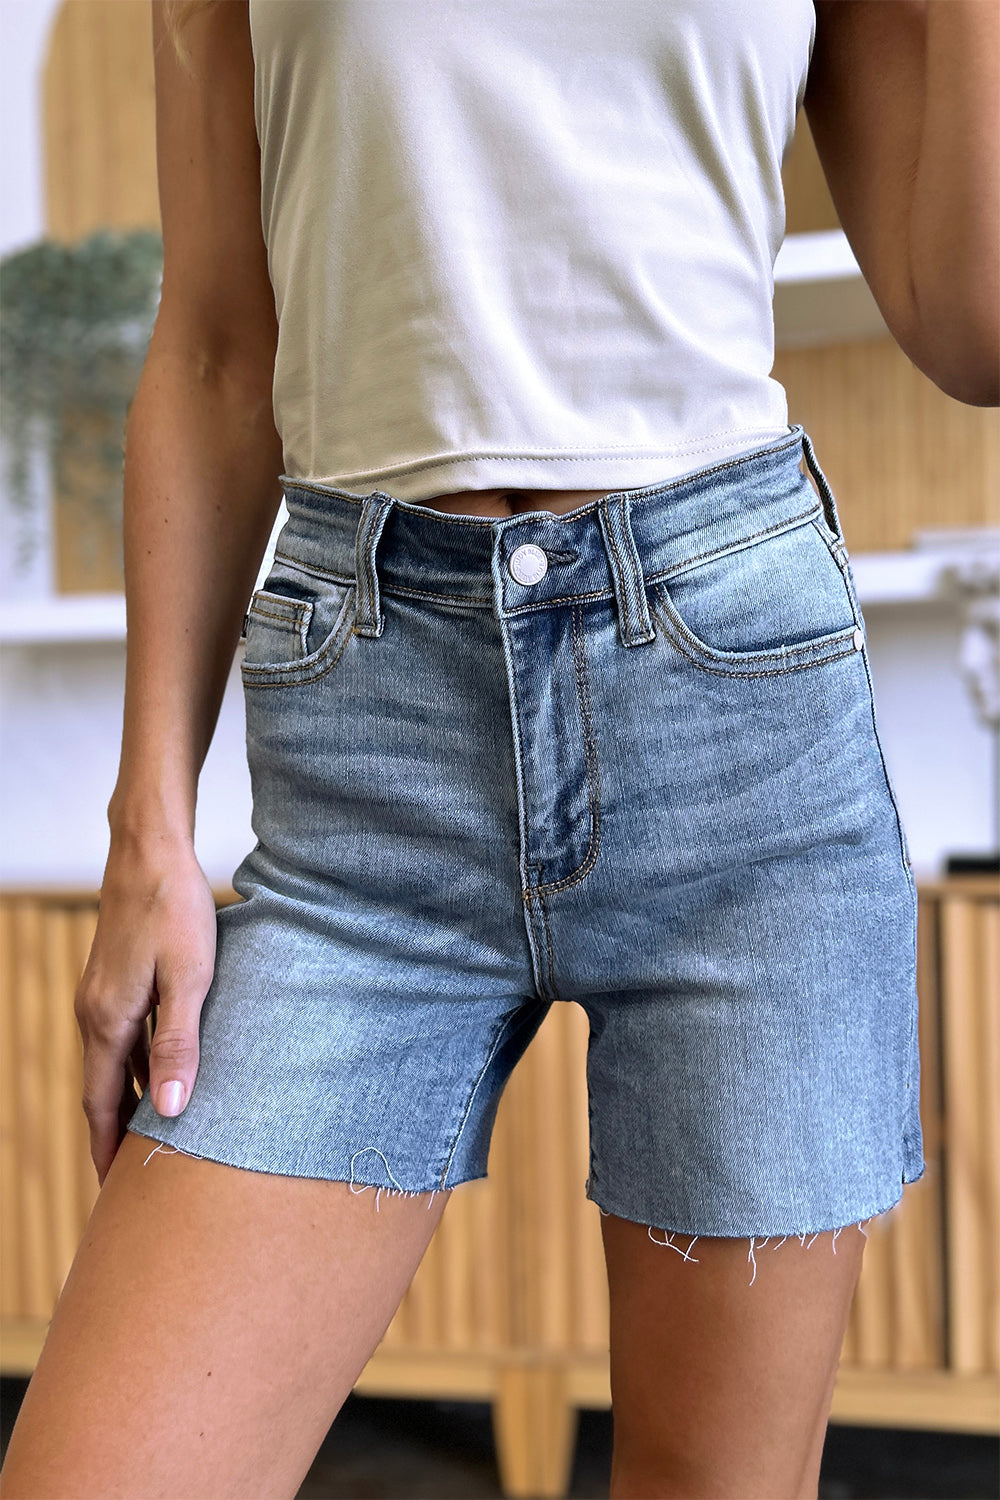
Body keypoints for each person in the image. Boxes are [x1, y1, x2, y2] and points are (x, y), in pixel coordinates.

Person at [2, 2, 996, 1496]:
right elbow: (213, 344)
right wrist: (151, 824)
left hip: (738, 731)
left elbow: (971, 327)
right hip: (365, 772)